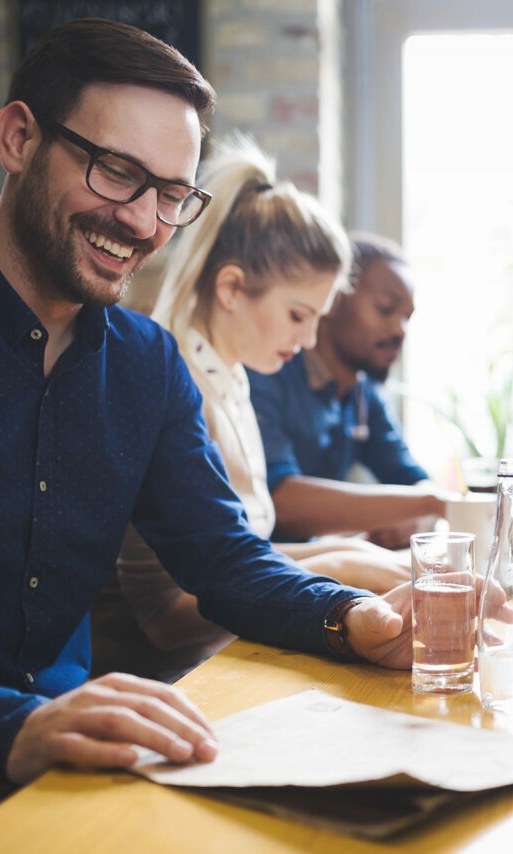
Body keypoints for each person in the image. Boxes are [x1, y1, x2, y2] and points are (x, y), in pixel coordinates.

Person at [0, 18, 414, 827]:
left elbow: (225, 559)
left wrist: (350, 620)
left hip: (81, 771)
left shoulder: (146, 365)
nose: (142, 223)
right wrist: (13, 724)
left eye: (172, 195)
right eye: (117, 172)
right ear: (19, 138)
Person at [101, 137, 414, 683]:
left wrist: (346, 553)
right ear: (231, 288)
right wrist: (337, 567)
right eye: (298, 315)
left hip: (234, 654)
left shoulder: (233, 375)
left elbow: (240, 554)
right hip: (167, 679)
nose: (311, 337)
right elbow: (165, 618)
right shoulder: (177, 383)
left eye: (317, 317)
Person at [247, 232, 444, 547]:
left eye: (407, 317)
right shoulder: (268, 369)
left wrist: (417, 517)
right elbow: (278, 500)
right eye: (385, 308)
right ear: (333, 299)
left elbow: (411, 477)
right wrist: (429, 504)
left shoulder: (364, 394)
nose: (399, 330)